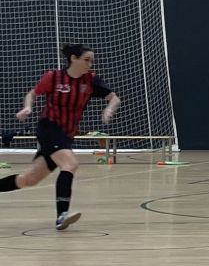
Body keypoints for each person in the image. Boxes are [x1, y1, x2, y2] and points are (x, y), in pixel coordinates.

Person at [2, 43, 120, 230]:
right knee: (70, 164)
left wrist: (109, 109)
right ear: (73, 58)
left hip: (66, 134)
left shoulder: (91, 80)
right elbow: (33, 93)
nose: (90, 64)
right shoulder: (54, 77)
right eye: (86, 60)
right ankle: (62, 215)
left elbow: (114, 98)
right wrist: (27, 107)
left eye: (92, 61)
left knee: (28, 179)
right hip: (49, 127)